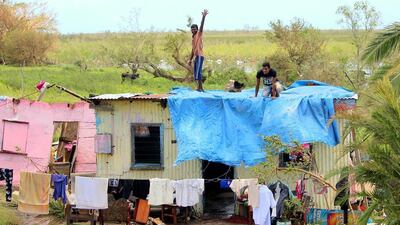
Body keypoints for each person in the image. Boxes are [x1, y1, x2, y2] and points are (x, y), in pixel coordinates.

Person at [188, 9, 208, 92]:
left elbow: (201, 26)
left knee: (198, 72)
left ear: (197, 29)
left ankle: (201, 88)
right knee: (196, 73)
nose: (193, 30)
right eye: (192, 29)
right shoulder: (193, 38)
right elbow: (193, 50)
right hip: (196, 56)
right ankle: (199, 87)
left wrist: (203, 17)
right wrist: (190, 59)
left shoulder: (199, 34)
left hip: (200, 56)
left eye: (194, 29)